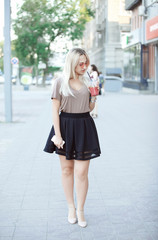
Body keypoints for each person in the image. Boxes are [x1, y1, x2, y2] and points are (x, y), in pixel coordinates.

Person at [44, 48, 101, 228]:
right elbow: (54, 110)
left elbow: (89, 108)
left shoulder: (88, 80)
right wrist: (57, 135)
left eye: (86, 62)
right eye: (80, 63)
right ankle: (71, 207)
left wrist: (94, 97)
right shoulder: (60, 82)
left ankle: (81, 210)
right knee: (67, 170)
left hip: (84, 125)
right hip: (65, 126)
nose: (84, 66)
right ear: (72, 63)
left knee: (81, 172)